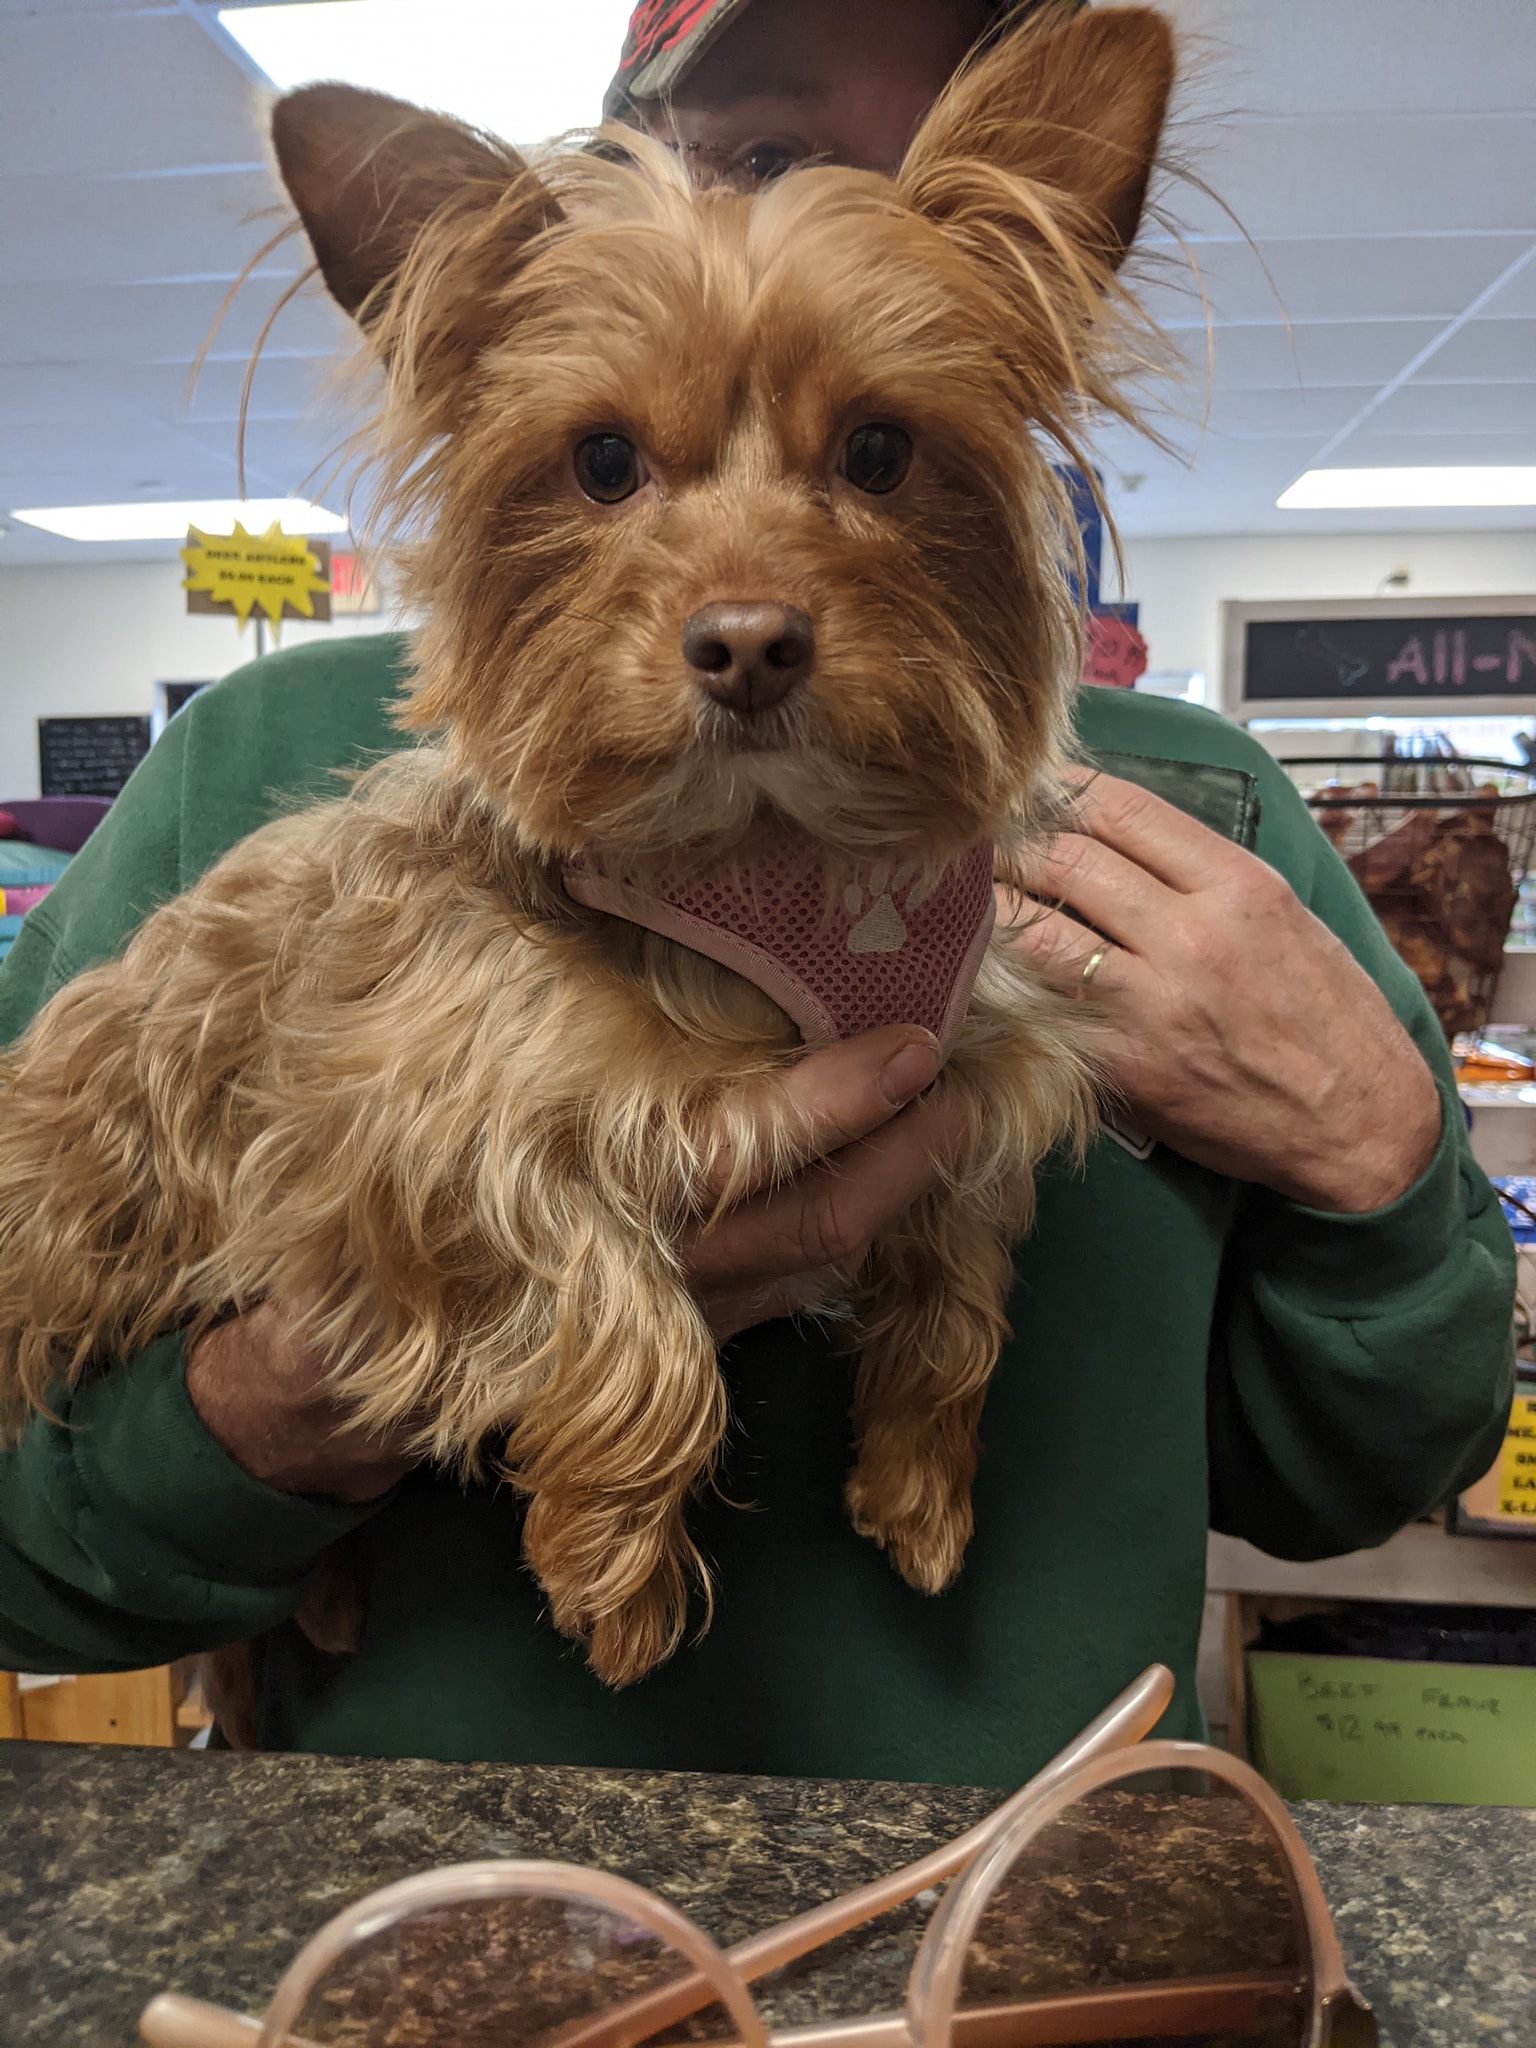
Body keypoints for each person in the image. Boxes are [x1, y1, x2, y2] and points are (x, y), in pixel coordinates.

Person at [0, 0, 1513, 1776]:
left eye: (873, 452)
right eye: (775, 154)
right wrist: (272, 1420)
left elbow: (1373, 1475)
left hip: (1035, 1893)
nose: (747, 608)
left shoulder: (1216, 823)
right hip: (416, 1899)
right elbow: (26, 1556)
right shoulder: (252, 772)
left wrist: (1381, 1168)